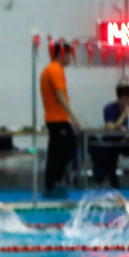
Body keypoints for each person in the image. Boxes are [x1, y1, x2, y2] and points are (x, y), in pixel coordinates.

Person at [40, 40, 81, 199]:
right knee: (64, 152)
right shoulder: (55, 70)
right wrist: (73, 117)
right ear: (62, 54)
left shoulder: (50, 70)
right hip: (58, 119)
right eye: (70, 54)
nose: (71, 58)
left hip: (56, 119)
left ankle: (53, 183)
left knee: (59, 153)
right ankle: (52, 185)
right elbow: (60, 96)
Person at [95, 83, 129, 188]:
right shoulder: (109, 109)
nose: (127, 102)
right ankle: (114, 184)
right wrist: (124, 114)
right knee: (109, 154)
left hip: (128, 139)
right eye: (125, 99)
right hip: (113, 139)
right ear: (119, 98)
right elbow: (111, 127)